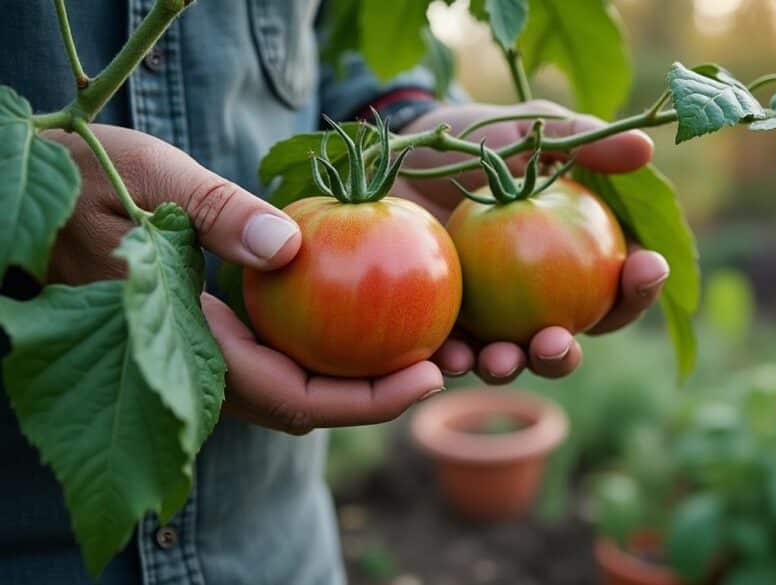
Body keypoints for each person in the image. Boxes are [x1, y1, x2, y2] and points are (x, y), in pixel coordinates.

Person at [0, 2, 668, 584]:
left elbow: (345, 43)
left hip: (278, 546)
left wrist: (407, 120)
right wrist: (25, 194)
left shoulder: (412, 230)